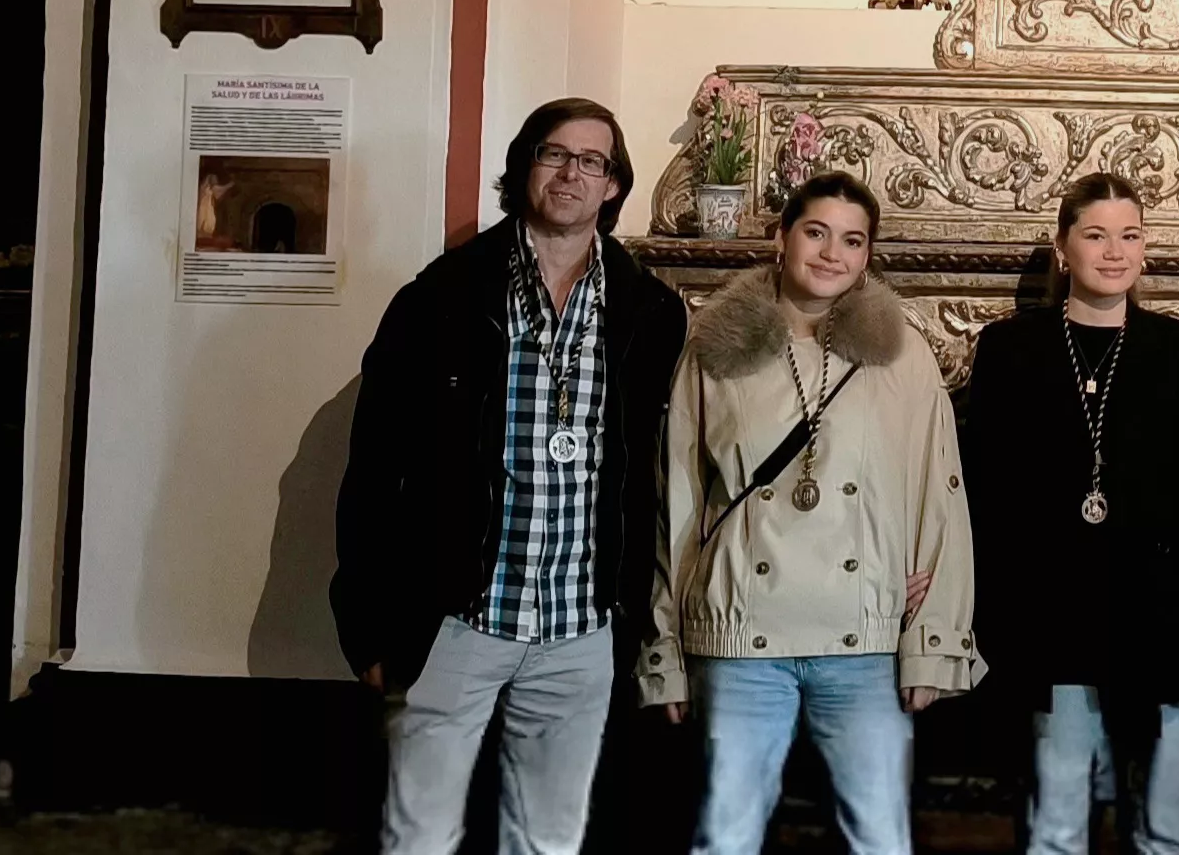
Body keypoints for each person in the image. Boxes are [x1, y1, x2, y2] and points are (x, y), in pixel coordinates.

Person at [332, 97, 689, 855]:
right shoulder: (441, 297)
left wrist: (630, 616)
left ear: (614, 186)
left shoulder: (651, 311)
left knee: (548, 839)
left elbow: (651, 476)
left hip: (578, 626)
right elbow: (372, 470)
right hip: (457, 615)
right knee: (418, 836)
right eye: (553, 154)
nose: (571, 173)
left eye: (592, 162)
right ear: (525, 166)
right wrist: (365, 621)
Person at [637, 171, 981, 855]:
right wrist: (663, 651)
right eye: (816, 233)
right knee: (725, 837)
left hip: (863, 639)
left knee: (881, 837)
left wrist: (933, 643)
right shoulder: (713, 349)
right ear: (781, 238)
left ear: (867, 256)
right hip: (740, 637)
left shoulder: (903, 354)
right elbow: (676, 503)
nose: (832, 253)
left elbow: (938, 500)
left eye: (852, 241)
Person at [964, 173, 1179, 855]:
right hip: (1052, 618)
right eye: (1096, 235)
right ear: (1062, 248)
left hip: (1158, 612)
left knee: (1165, 825)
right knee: (1057, 821)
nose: (1115, 251)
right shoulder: (1010, 350)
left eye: (1130, 235)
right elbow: (985, 497)